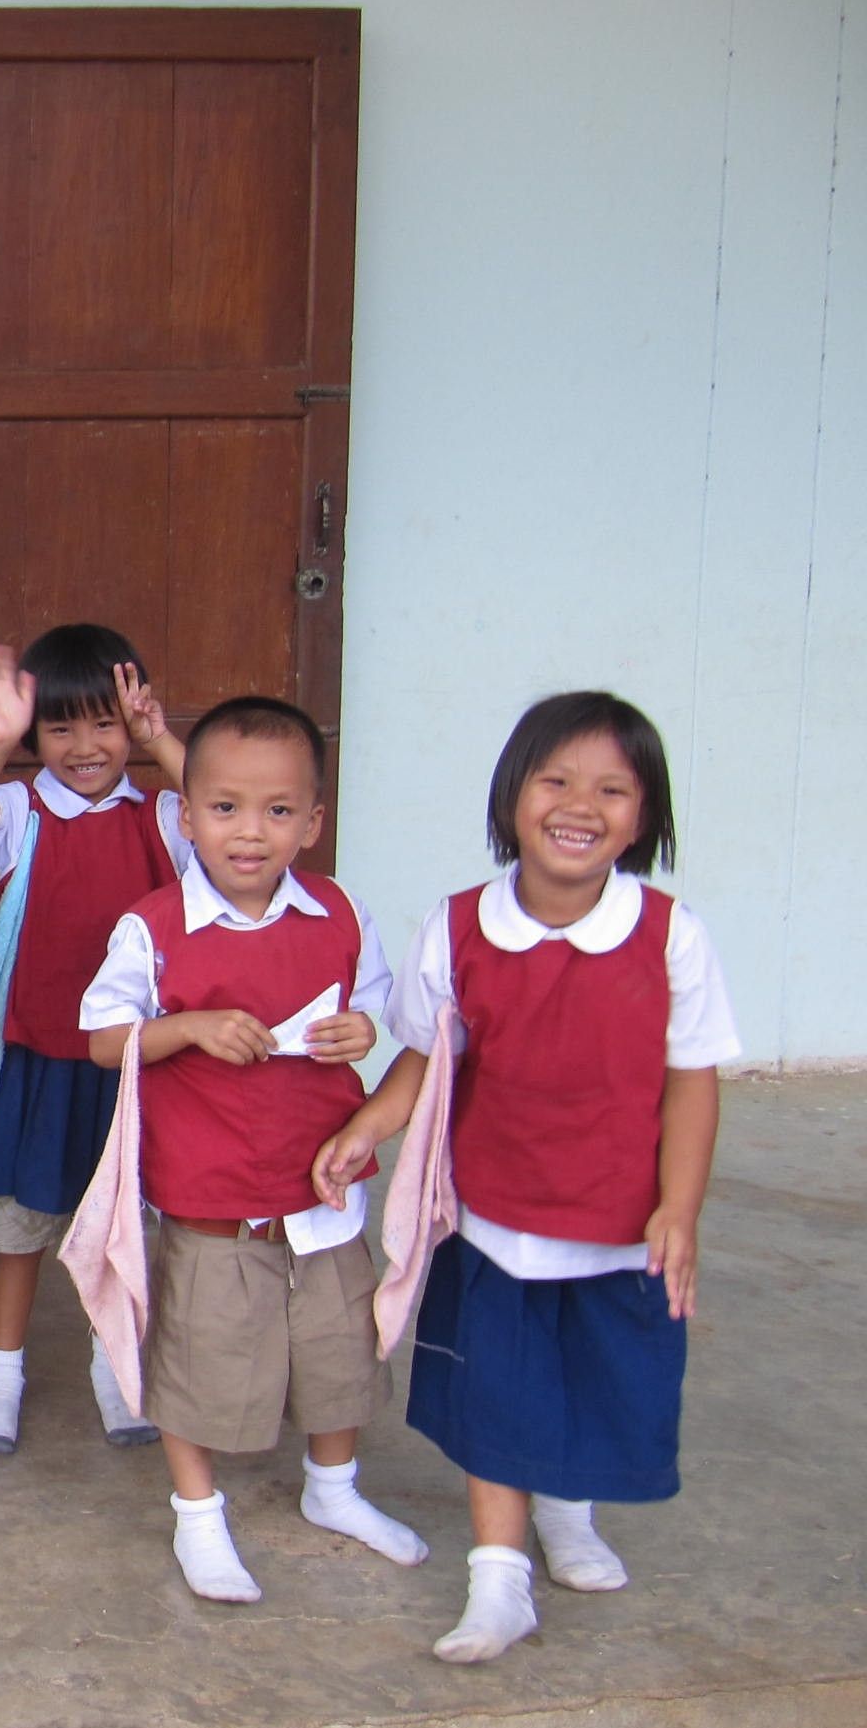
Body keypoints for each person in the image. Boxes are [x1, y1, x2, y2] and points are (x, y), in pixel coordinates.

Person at [314, 692, 737, 1664]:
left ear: (645, 814)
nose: (579, 804)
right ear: (513, 798)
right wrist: (367, 1126)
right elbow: (425, 1054)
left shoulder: (669, 936)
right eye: (555, 780)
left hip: (617, 1223)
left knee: (588, 1380)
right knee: (499, 1395)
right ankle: (499, 1582)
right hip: (490, 1218)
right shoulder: (460, 928)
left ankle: (568, 1514)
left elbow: (693, 1081)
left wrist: (681, 1206)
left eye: (613, 788)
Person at [79, 697, 425, 1605]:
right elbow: (104, 1041)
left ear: (313, 822)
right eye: (225, 808)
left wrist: (355, 1034)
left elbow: (376, 1019)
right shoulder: (154, 927)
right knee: (196, 1360)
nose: (250, 833)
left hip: (323, 1188)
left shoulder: (340, 913)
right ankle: (199, 1518)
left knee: (339, 1352)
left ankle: (334, 1491)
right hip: (212, 1194)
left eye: (278, 811)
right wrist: (185, 1027)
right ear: (185, 816)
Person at [0, 629, 184, 1457]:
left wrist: (161, 742)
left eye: (107, 725)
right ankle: (0, 1376)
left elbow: (224, 801)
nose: (85, 748)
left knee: (117, 1233)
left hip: (130, 1069)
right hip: (34, 1060)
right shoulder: (20, 807)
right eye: (60, 729)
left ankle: (113, 1368)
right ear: (35, 736)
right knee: (18, 1231)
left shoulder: (163, 816)